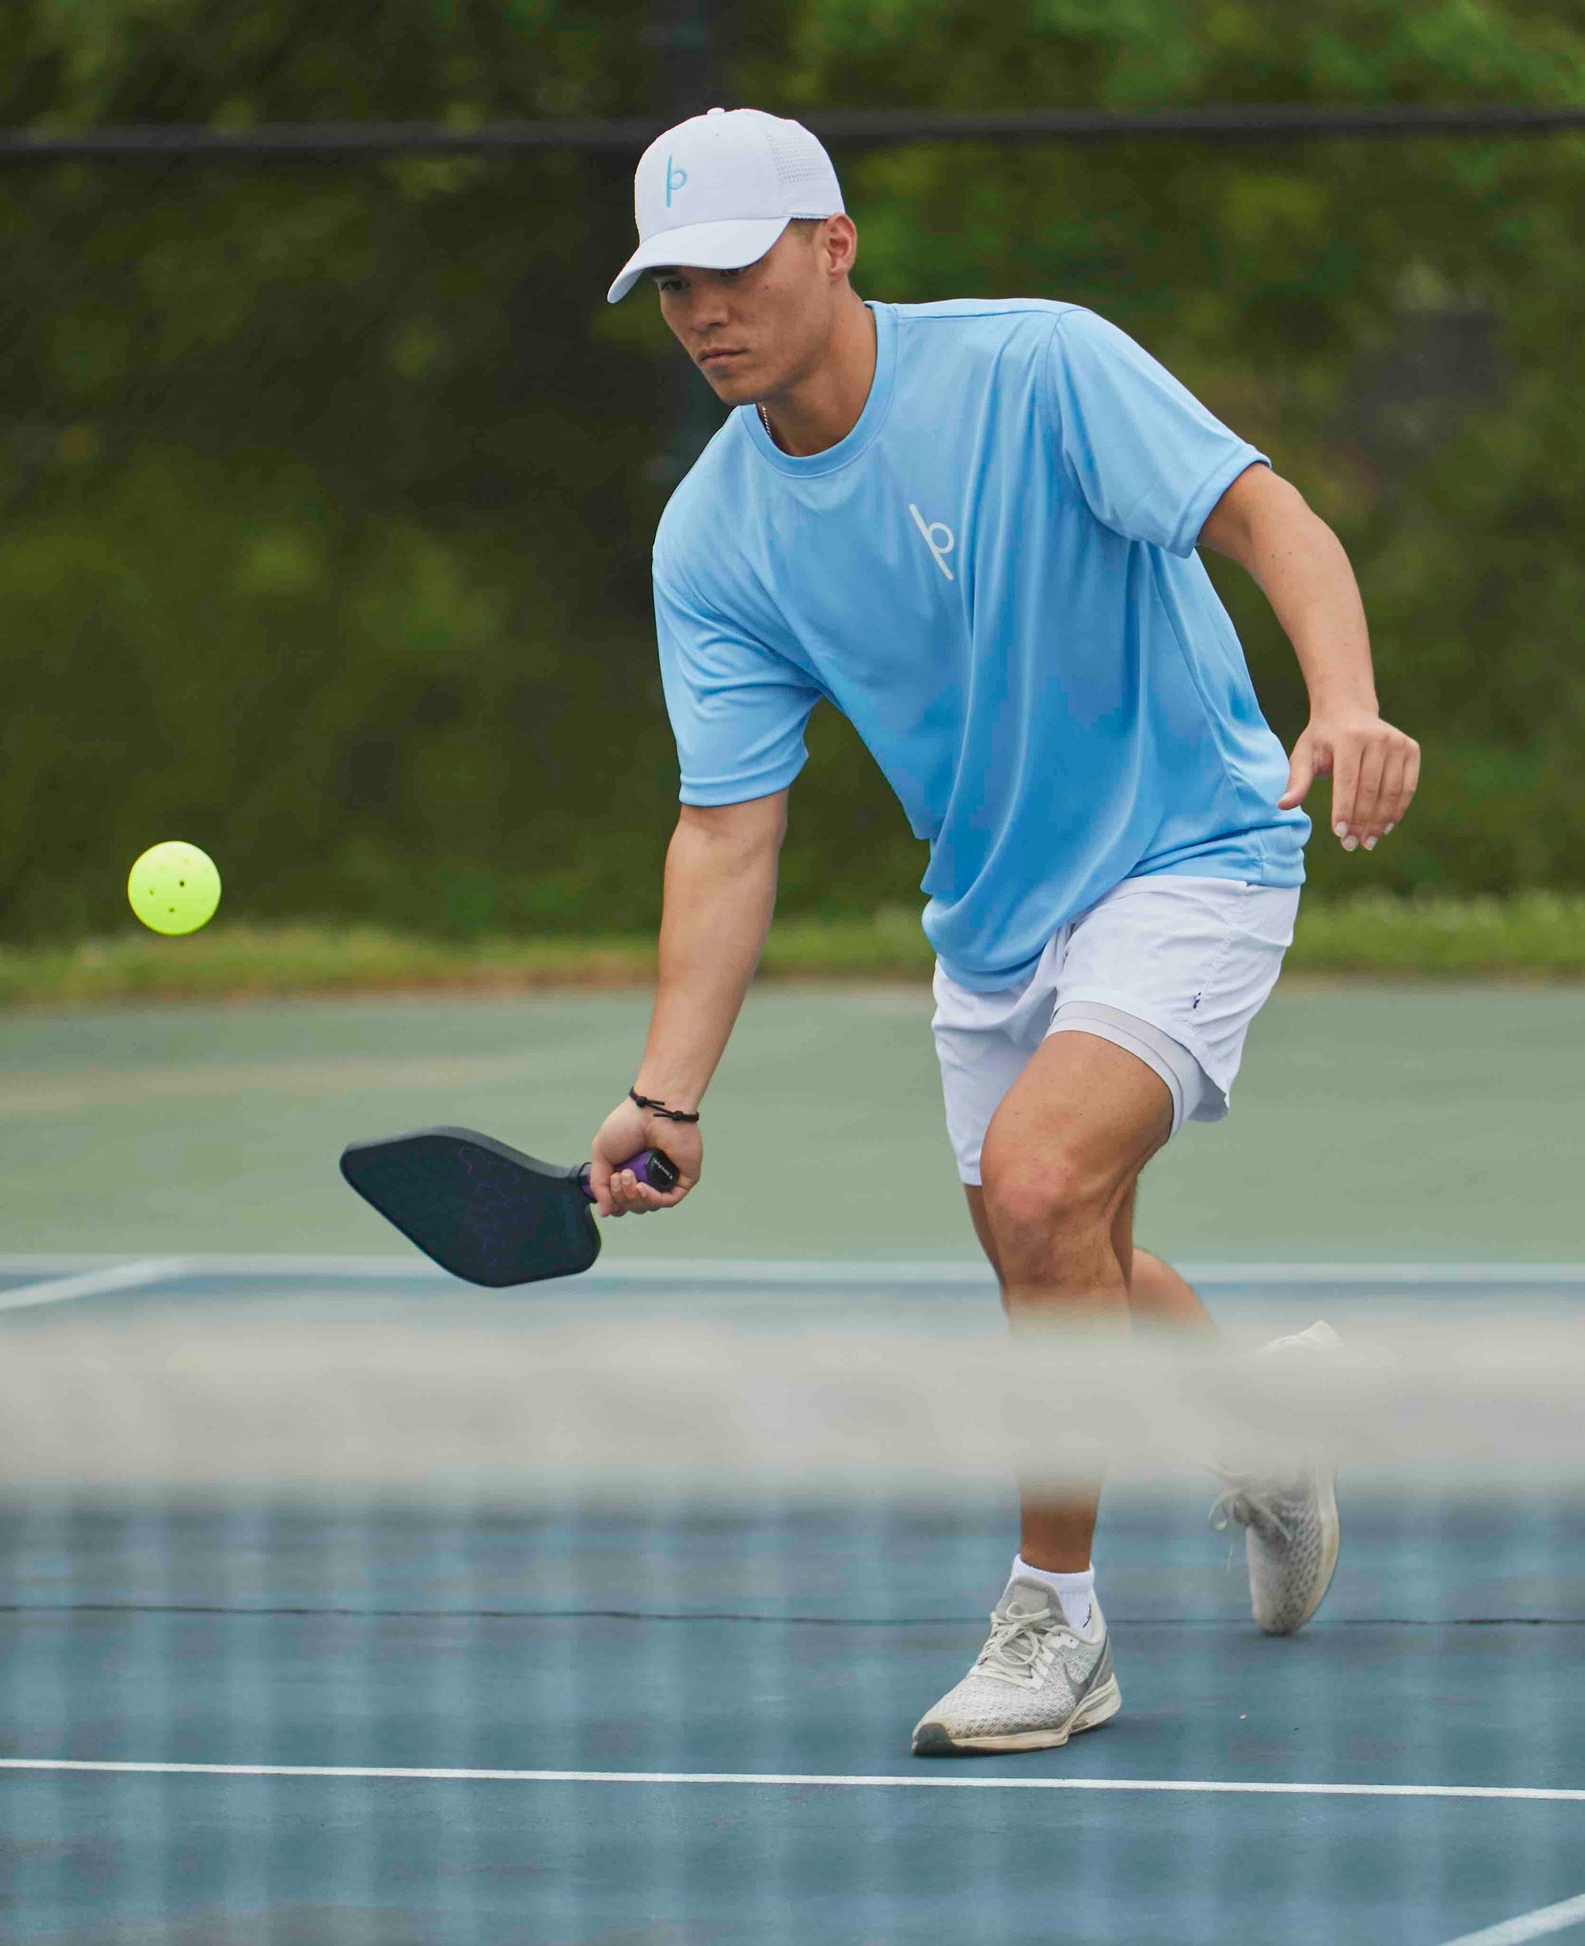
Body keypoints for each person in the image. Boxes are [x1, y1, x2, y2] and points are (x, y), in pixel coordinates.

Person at [588, 107, 1420, 1756]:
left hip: (1193, 844)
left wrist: (1346, 703)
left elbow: (1266, 516)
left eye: (732, 269)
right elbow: (727, 830)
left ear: (833, 245)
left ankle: (1058, 1623)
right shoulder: (715, 537)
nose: (703, 314)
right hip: (992, 914)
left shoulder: (1037, 369)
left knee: (1041, 1182)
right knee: (1057, 1249)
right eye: (672, 285)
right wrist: (666, 1092)